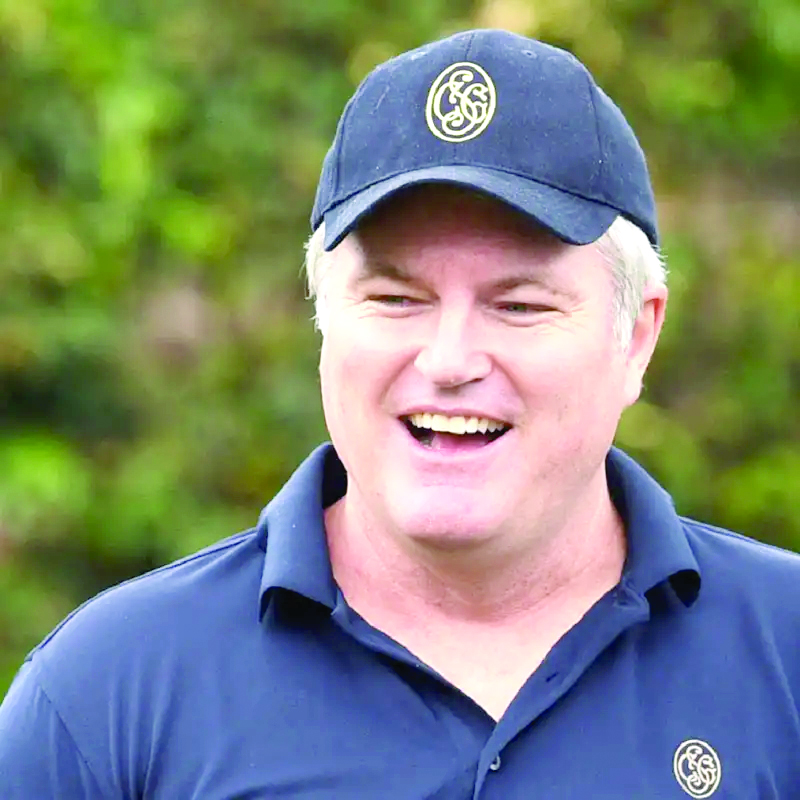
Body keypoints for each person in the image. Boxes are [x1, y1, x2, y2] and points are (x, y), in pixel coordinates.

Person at [1, 28, 798, 799]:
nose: (449, 361)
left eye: (519, 305)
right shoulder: (106, 699)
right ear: (324, 322)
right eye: (395, 299)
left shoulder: (784, 655)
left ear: (636, 337)